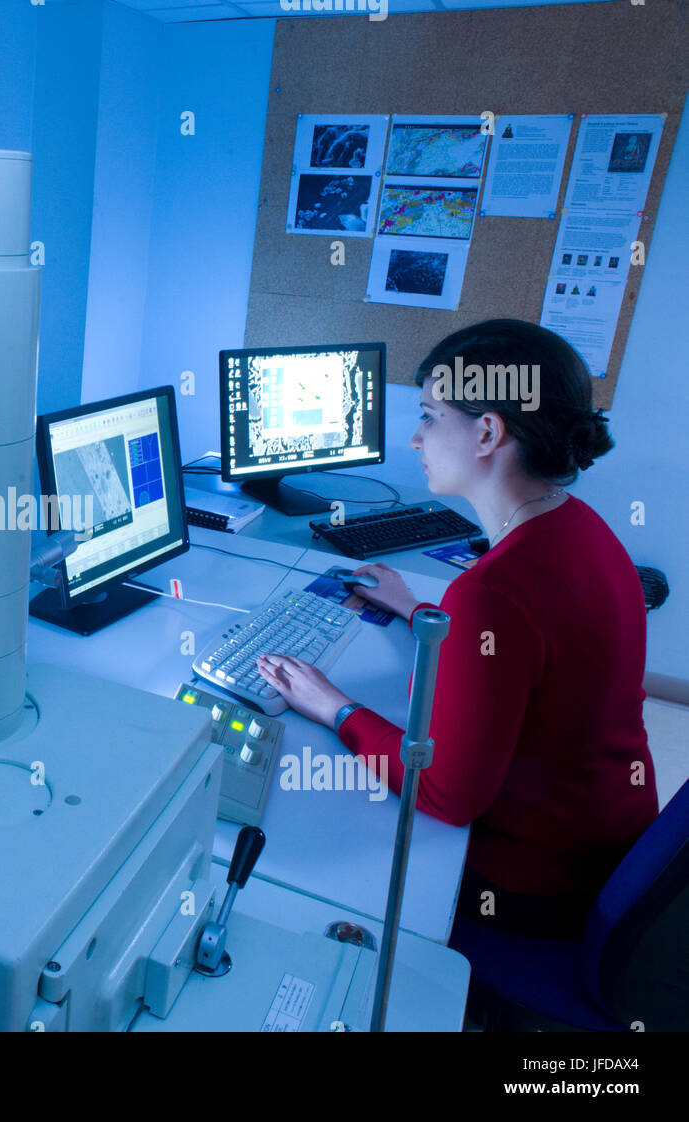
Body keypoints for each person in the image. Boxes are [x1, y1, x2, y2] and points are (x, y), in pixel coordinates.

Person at [254, 319, 658, 936]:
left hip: (537, 884)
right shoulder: (583, 529)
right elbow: (530, 647)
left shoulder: (491, 592)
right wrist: (417, 611)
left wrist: (333, 706)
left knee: (302, 843)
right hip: (610, 842)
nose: (416, 439)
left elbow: (447, 795)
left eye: (429, 416)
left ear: (489, 432)